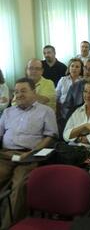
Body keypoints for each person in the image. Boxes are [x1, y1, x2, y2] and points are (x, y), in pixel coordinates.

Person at [0, 78, 58, 227]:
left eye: (23, 91)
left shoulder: (46, 111)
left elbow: (50, 136)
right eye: (16, 92)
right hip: (5, 155)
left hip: (29, 156)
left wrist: (33, 152)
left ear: (34, 92)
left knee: (19, 186)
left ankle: (9, 226)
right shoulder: (7, 112)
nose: (19, 94)